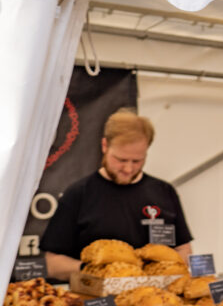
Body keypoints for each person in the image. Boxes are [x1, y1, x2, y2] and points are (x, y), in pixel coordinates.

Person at [41, 108, 193, 279]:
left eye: (137, 161)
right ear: (105, 146)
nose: (128, 169)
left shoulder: (164, 191)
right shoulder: (79, 194)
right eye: (121, 160)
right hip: (97, 294)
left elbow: (183, 249)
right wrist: (93, 271)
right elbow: (52, 263)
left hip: (155, 293)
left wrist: (160, 270)